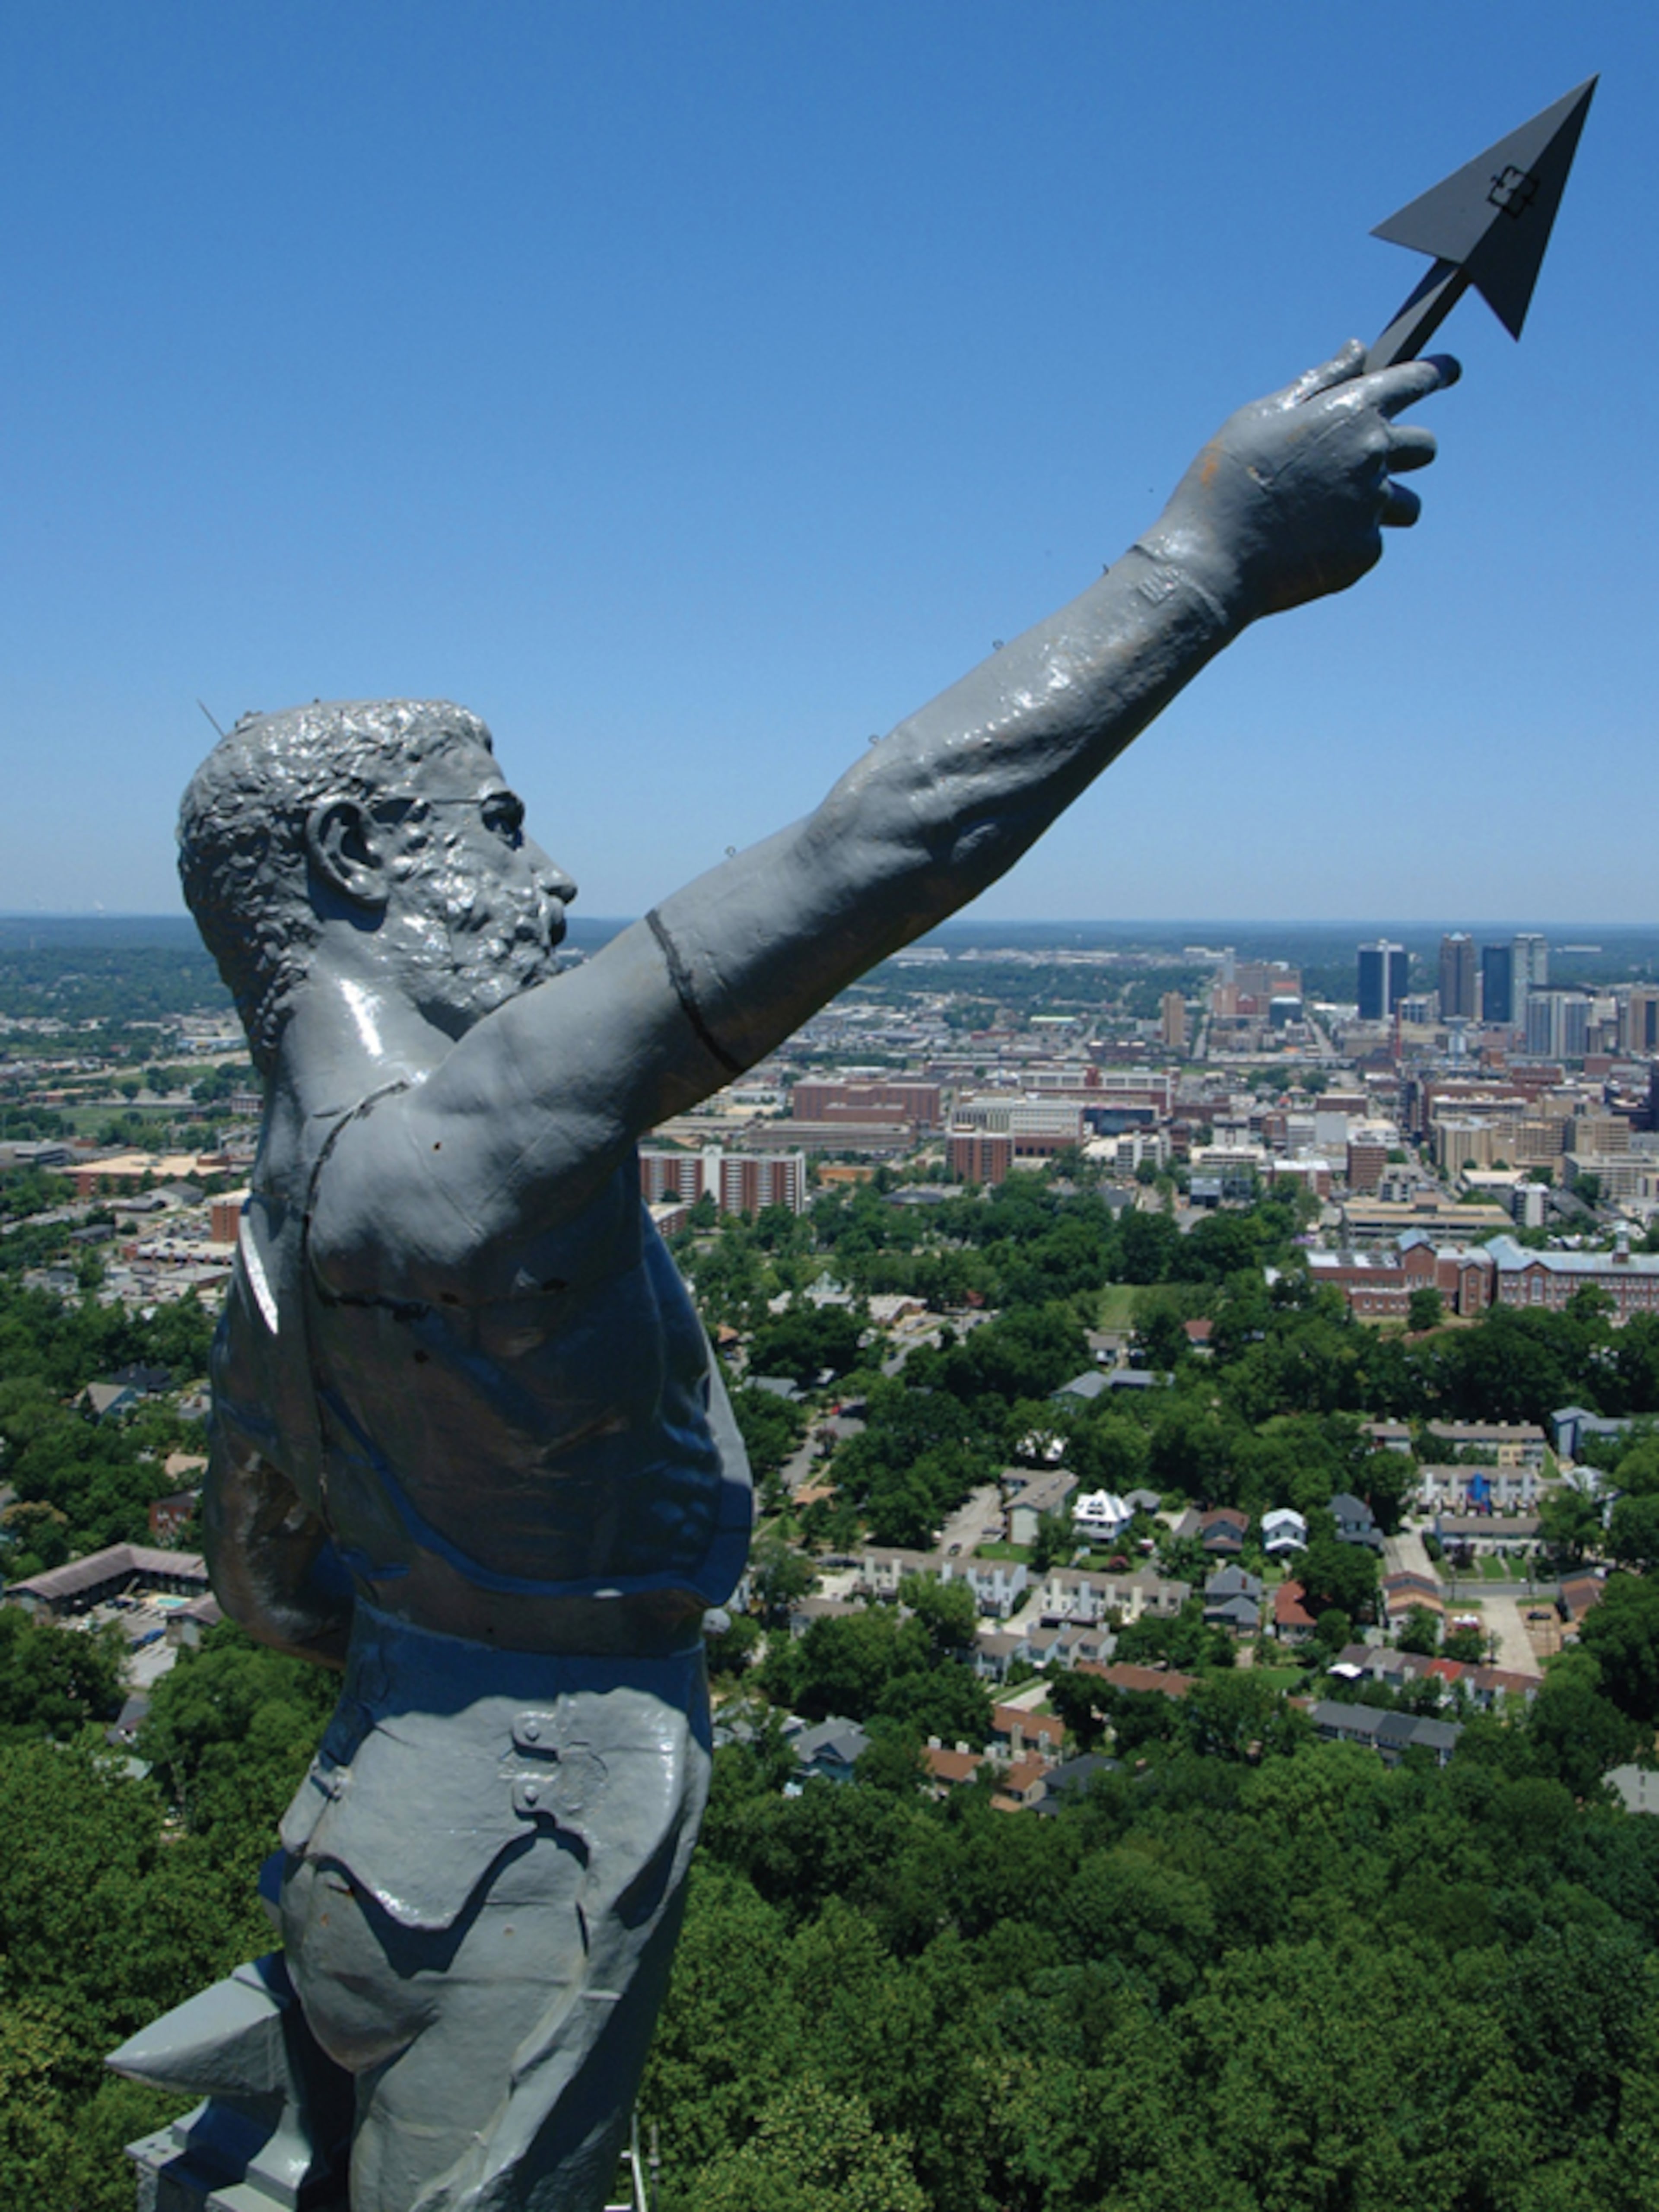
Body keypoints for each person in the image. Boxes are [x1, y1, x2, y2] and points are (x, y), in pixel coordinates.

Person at [152, 340, 1453, 2211]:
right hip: (532, 1831)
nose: (553, 869)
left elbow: (265, 1585)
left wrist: (439, 1614)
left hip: (371, 1823)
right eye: (499, 826)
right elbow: (880, 839)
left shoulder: (278, 1203)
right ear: (357, 857)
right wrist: (1210, 557)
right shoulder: (469, 1144)